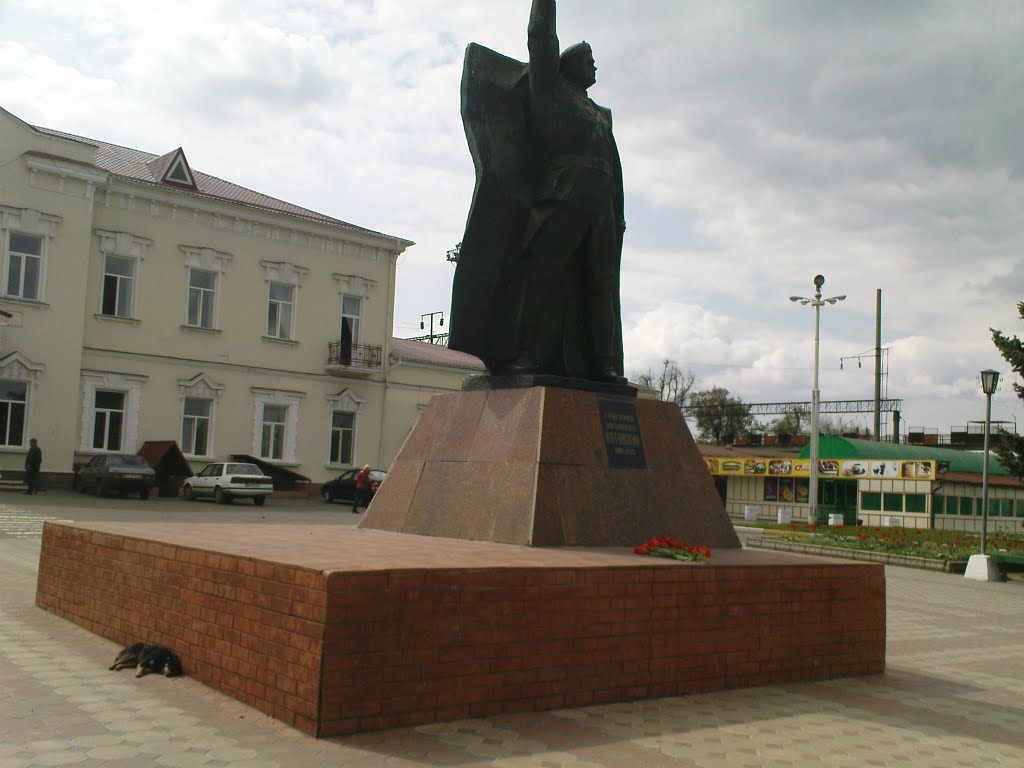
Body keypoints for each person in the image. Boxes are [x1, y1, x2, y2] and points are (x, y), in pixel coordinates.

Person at [449, 0, 626, 383]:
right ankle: (522, 353)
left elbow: (615, 170)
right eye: (588, 58)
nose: (595, 65)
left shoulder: (599, 113)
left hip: (600, 206)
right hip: (563, 197)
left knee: (601, 285)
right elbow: (540, 37)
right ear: (569, 65)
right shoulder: (550, 92)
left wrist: (619, 214)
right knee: (541, 276)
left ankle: (603, 362)